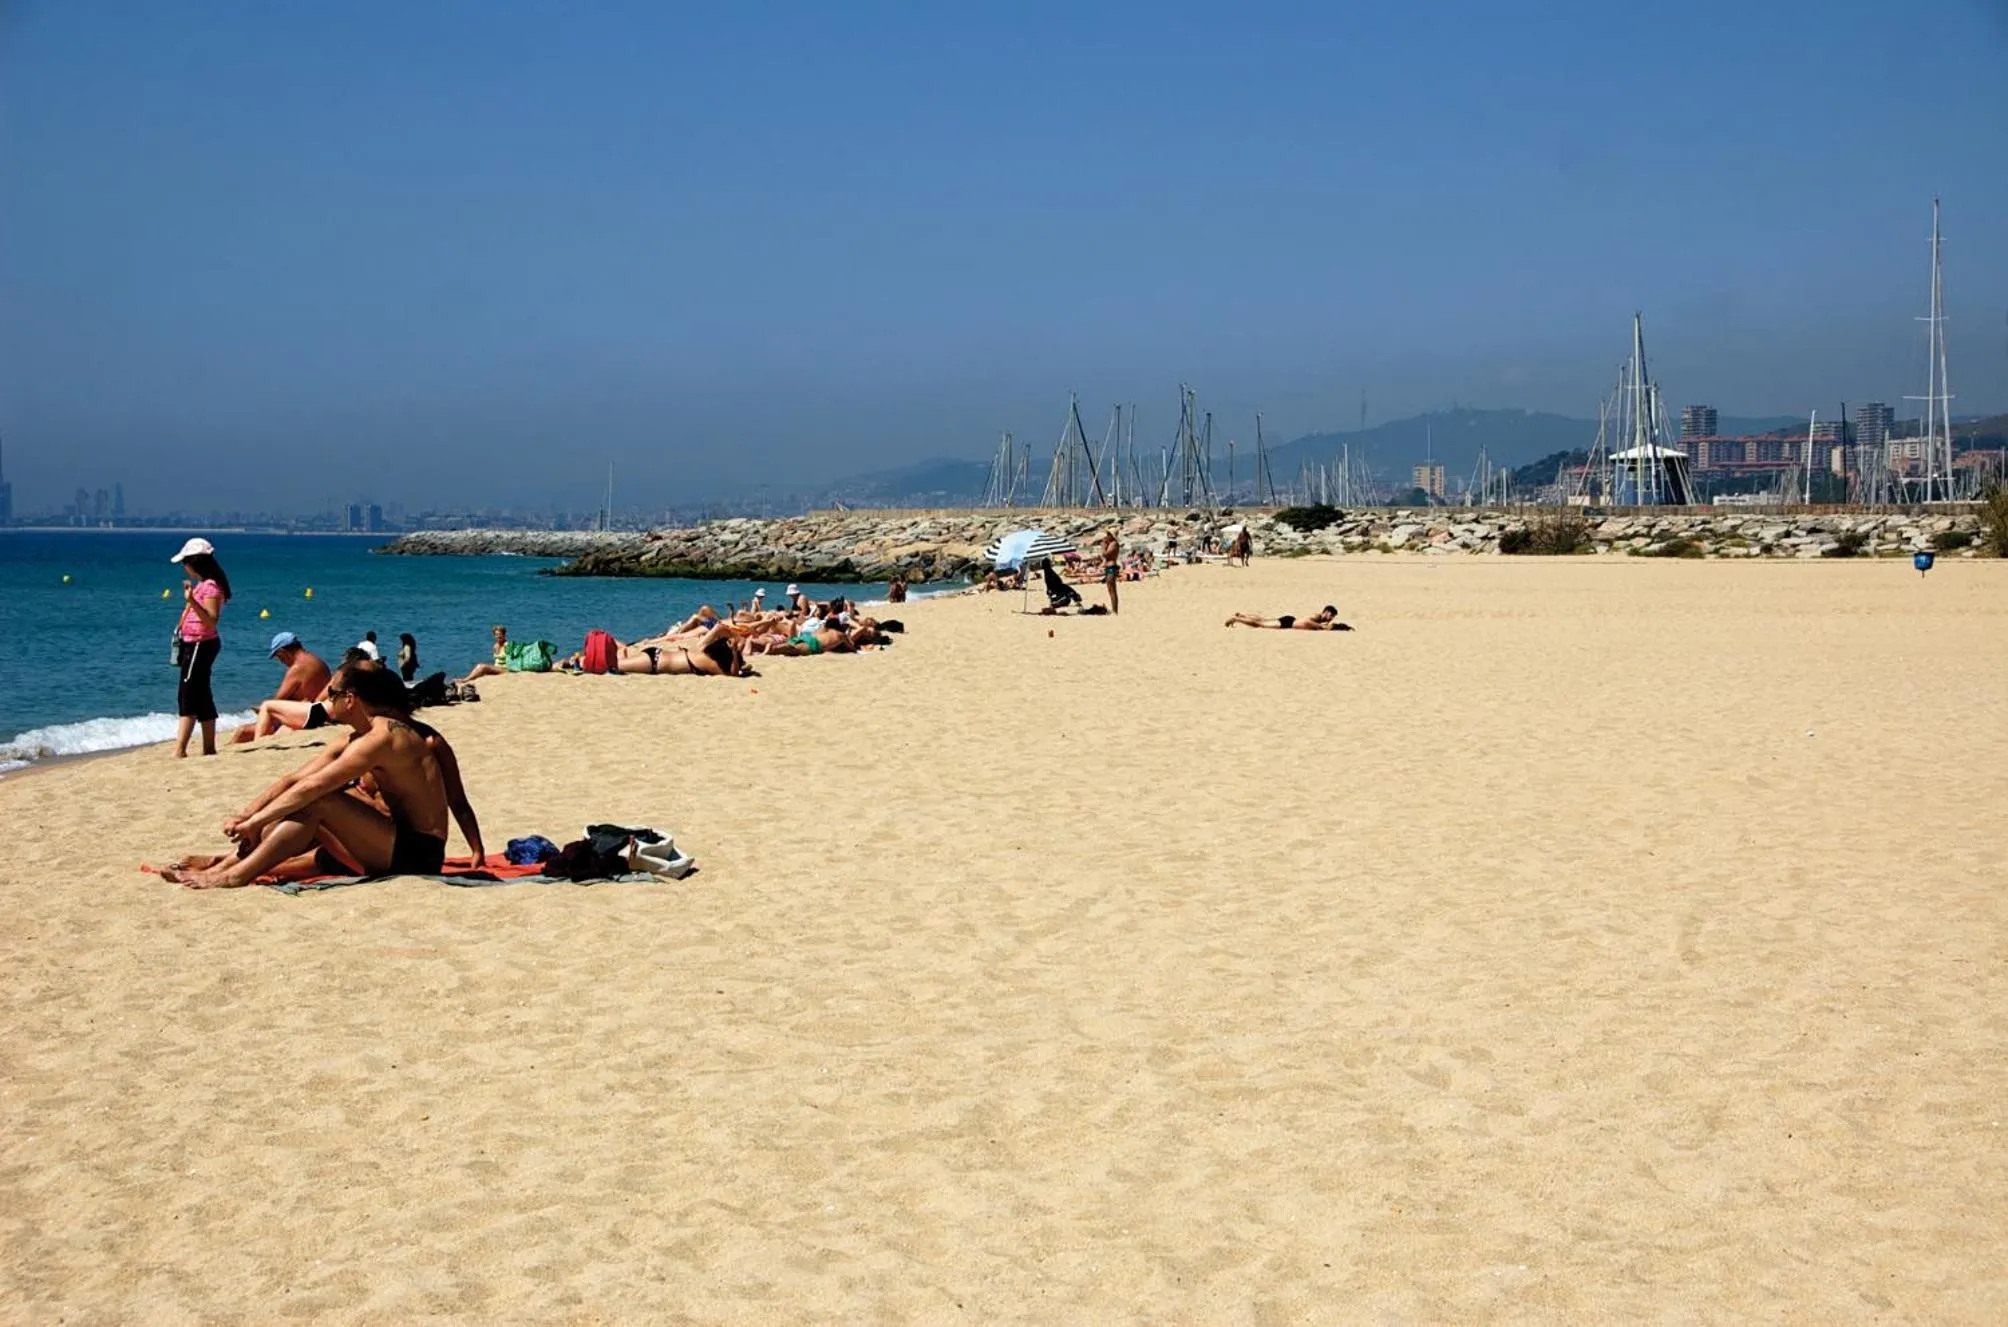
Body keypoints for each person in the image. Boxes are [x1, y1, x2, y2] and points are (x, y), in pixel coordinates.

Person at [163, 661, 485, 888]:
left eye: (331, 694)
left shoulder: (386, 737)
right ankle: (228, 863)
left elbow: (316, 788)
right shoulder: (358, 737)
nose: (324, 701)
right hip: (391, 841)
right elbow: (295, 781)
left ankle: (234, 875)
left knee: (320, 802)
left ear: (351, 698)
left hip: (418, 854)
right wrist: (248, 815)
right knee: (309, 808)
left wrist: (254, 823)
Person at [170, 537, 231, 758]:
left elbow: (212, 620)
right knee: (202, 694)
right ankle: (208, 747)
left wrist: (192, 601)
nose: (184, 567)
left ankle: (180, 749)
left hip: (200, 644)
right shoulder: (203, 585)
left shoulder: (211, 587)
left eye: (185, 562)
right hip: (193, 643)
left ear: (194, 562)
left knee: (188, 694)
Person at [232, 632, 333, 744]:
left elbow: (277, 701)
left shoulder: (297, 668)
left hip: (305, 717)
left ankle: (255, 745)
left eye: (279, 657)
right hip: (321, 713)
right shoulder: (318, 661)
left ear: (283, 652)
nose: (281, 662)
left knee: (242, 731)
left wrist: (259, 709)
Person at [1224, 606, 1352, 631]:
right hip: (1288, 623)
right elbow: (1307, 622)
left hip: (1289, 621)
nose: (1330, 619)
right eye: (1331, 616)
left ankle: (1242, 615)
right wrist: (1318, 627)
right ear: (1326, 612)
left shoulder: (1319, 618)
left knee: (1264, 620)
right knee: (1260, 624)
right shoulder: (1317, 616)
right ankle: (1237, 619)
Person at [1100, 529, 1121, 615]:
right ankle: (1113, 609)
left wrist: (1103, 547)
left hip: (1112, 567)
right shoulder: (1111, 544)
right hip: (1109, 567)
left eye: (1108, 534)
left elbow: (1106, 554)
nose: (1106, 536)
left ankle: (1115, 610)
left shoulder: (1114, 544)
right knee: (1110, 588)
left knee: (1112, 589)